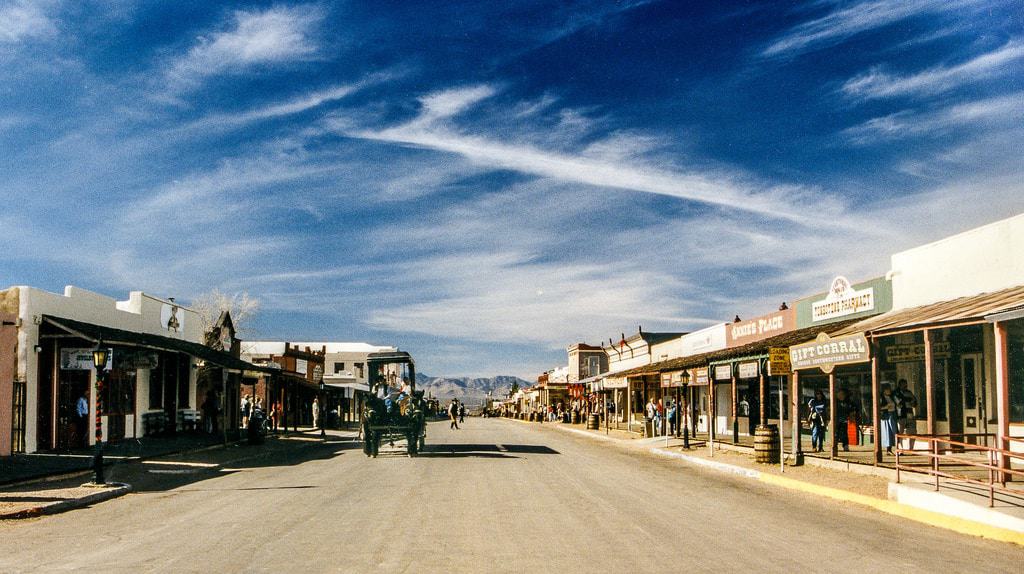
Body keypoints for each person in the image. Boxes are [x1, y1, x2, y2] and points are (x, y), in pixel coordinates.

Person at [894, 379, 917, 448]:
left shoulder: (909, 392)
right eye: (903, 384)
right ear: (899, 385)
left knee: (912, 432)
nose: (905, 386)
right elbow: (898, 404)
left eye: (905, 384)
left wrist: (913, 402)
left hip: (910, 415)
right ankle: (900, 449)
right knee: (900, 433)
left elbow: (915, 403)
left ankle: (911, 449)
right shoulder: (896, 393)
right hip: (900, 416)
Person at [880, 384, 899, 455]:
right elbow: (878, 407)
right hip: (886, 416)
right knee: (887, 432)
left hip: (893, 415)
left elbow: (898, 404)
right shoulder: (881, 398)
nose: (889, 391)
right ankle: (888, 449)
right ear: (884, 390)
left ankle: (893, 448)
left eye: (889, 389)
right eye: (887, 389)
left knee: (894, 431)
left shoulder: (892, 397)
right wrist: (886, 407)